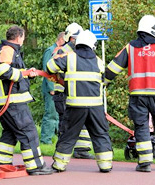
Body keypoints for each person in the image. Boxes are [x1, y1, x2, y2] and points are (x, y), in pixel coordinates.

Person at [104, 15, 155, 172]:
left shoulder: (130, 48)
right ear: (154, 31)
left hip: (137, 95)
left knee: (141, 127)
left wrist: (101, 84)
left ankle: (144, 163)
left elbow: (112, 68)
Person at [47, 30, 113, 173]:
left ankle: (59, 164)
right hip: (96, 107)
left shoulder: (69, 57)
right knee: (100, 134)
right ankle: (105, 164)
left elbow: (49, 67)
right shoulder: (98, 61)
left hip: (75, 106)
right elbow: (104, 80)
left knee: (68, 134)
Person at [0, 26, 52, 175]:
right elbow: (2, 70)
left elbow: (12, 71)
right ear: (19, 37)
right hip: (12, 103)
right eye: (23, 37)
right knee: (28, 132)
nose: (24, 40)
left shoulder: (9, 49)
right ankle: (36, 166)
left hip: (6, 102)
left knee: (10, 132)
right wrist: (21, 74)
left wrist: (26, 74)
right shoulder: (8, 50)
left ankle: (2, 163)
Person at [53, 23, 94, 159]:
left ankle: (81, 149)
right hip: (63, 92)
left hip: (76, 92)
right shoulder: (63, 51)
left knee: (82, 119)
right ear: (72, 38)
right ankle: (61, 150)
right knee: (66, 122)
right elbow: (57, 70)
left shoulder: (77, 52)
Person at [40, 32, 65, 144]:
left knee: (59, 115)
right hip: (52, 88)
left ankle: (57, 138)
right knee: (50, 114)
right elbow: (47, 71)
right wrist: (51, 88)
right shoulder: (50, 51)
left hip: (60, 88)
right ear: (61, 40)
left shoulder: (63, 51)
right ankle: (46, 140)